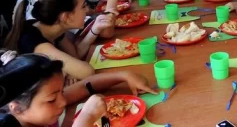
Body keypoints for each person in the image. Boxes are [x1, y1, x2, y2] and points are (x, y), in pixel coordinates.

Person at [0, 51, 158, 127]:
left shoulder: (38, 108)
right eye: (52, 99)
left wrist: (123, 76)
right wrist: (86, 117)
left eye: (61, 91)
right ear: (17, 108)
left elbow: (85, 86)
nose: (63, 102)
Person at [5, 0, 106, 80]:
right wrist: (69, 71)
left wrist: (95, 30)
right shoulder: (35, 42)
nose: (87, 10)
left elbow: (75, 55)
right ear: (66, 17)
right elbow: (87, 72)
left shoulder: (52, 27)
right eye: (83, 6)